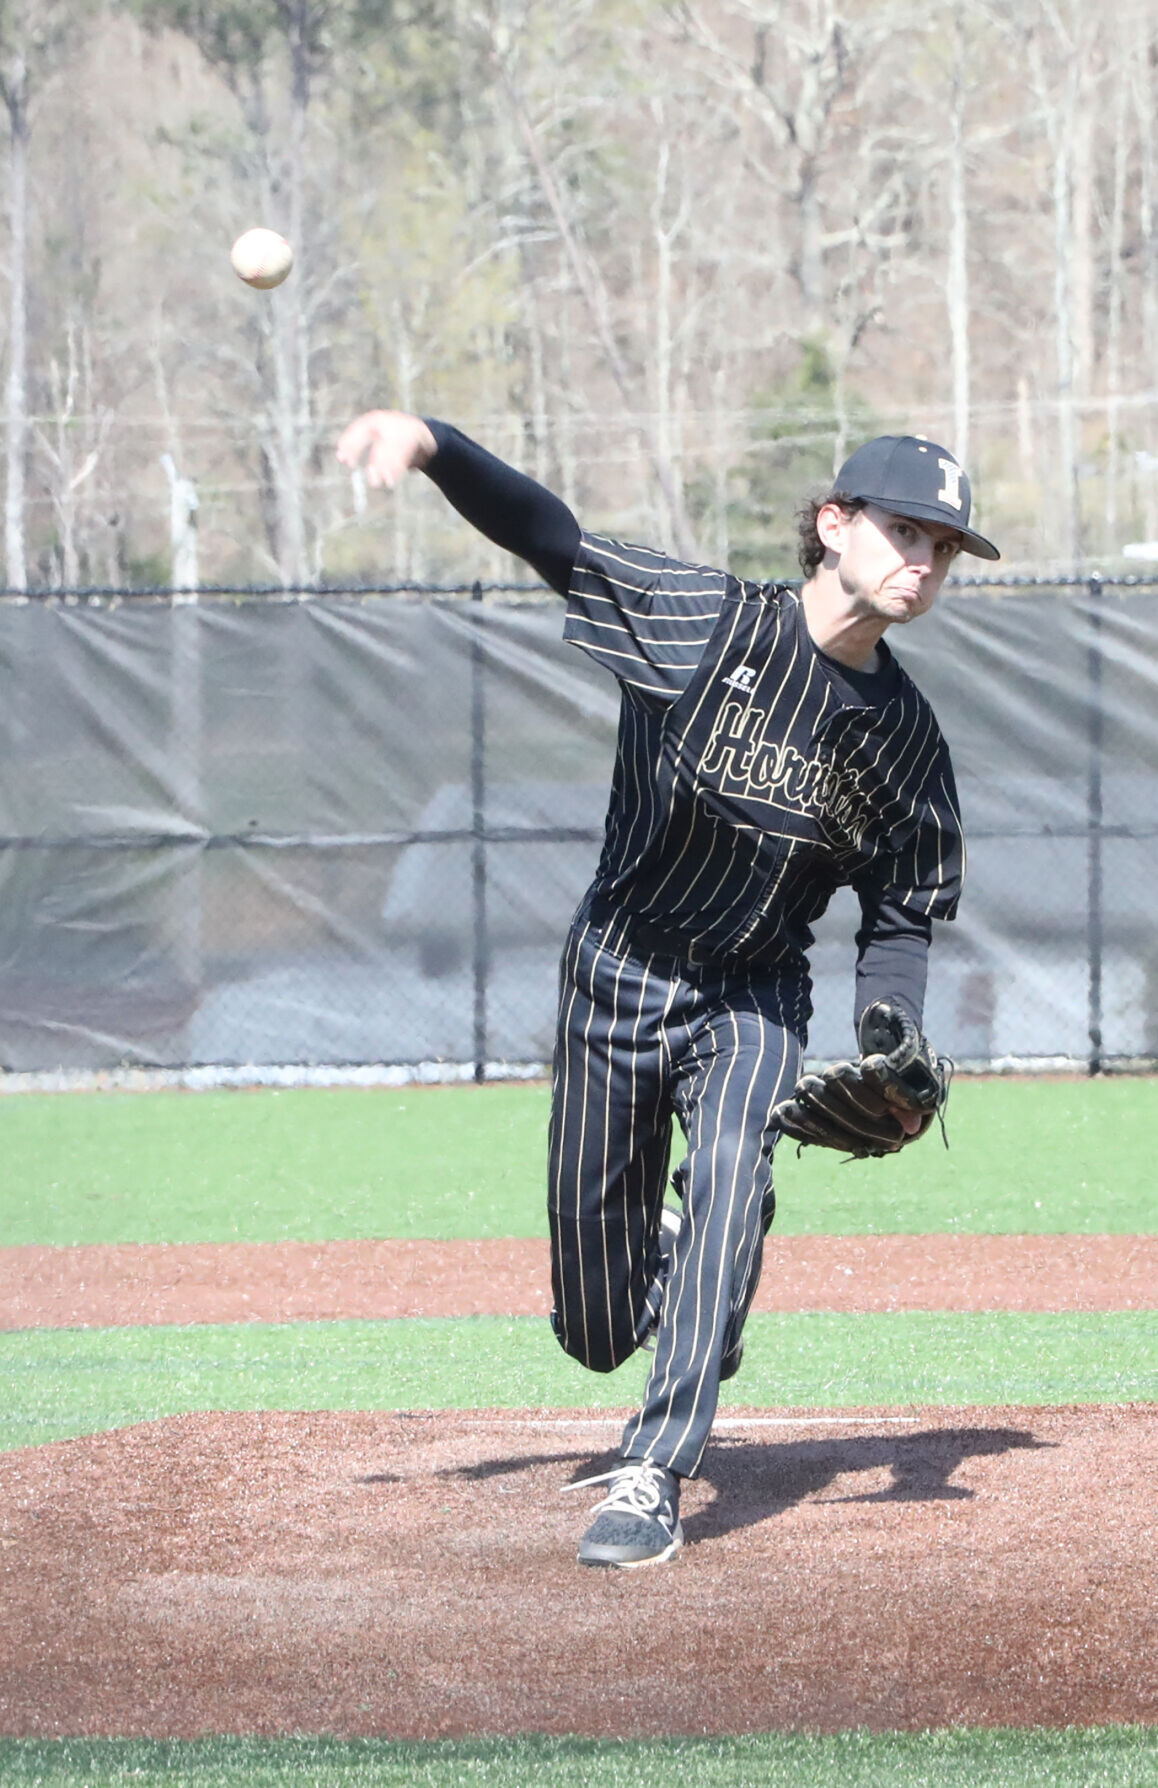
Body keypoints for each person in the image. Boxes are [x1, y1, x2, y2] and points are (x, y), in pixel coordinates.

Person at [335, 411, 1000, 1569]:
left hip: (754, 992)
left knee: (737, 1169)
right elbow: (555, 538)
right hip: (619, 969)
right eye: (905, 530)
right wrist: (434, 443)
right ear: (833, 524)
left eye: (944, 546)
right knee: (593, 1327)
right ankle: (688, 1267)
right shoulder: (704, 623)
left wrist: (890, 1029)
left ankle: (656, 1470)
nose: (923, 563)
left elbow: (901, 913)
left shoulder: (905, 743)